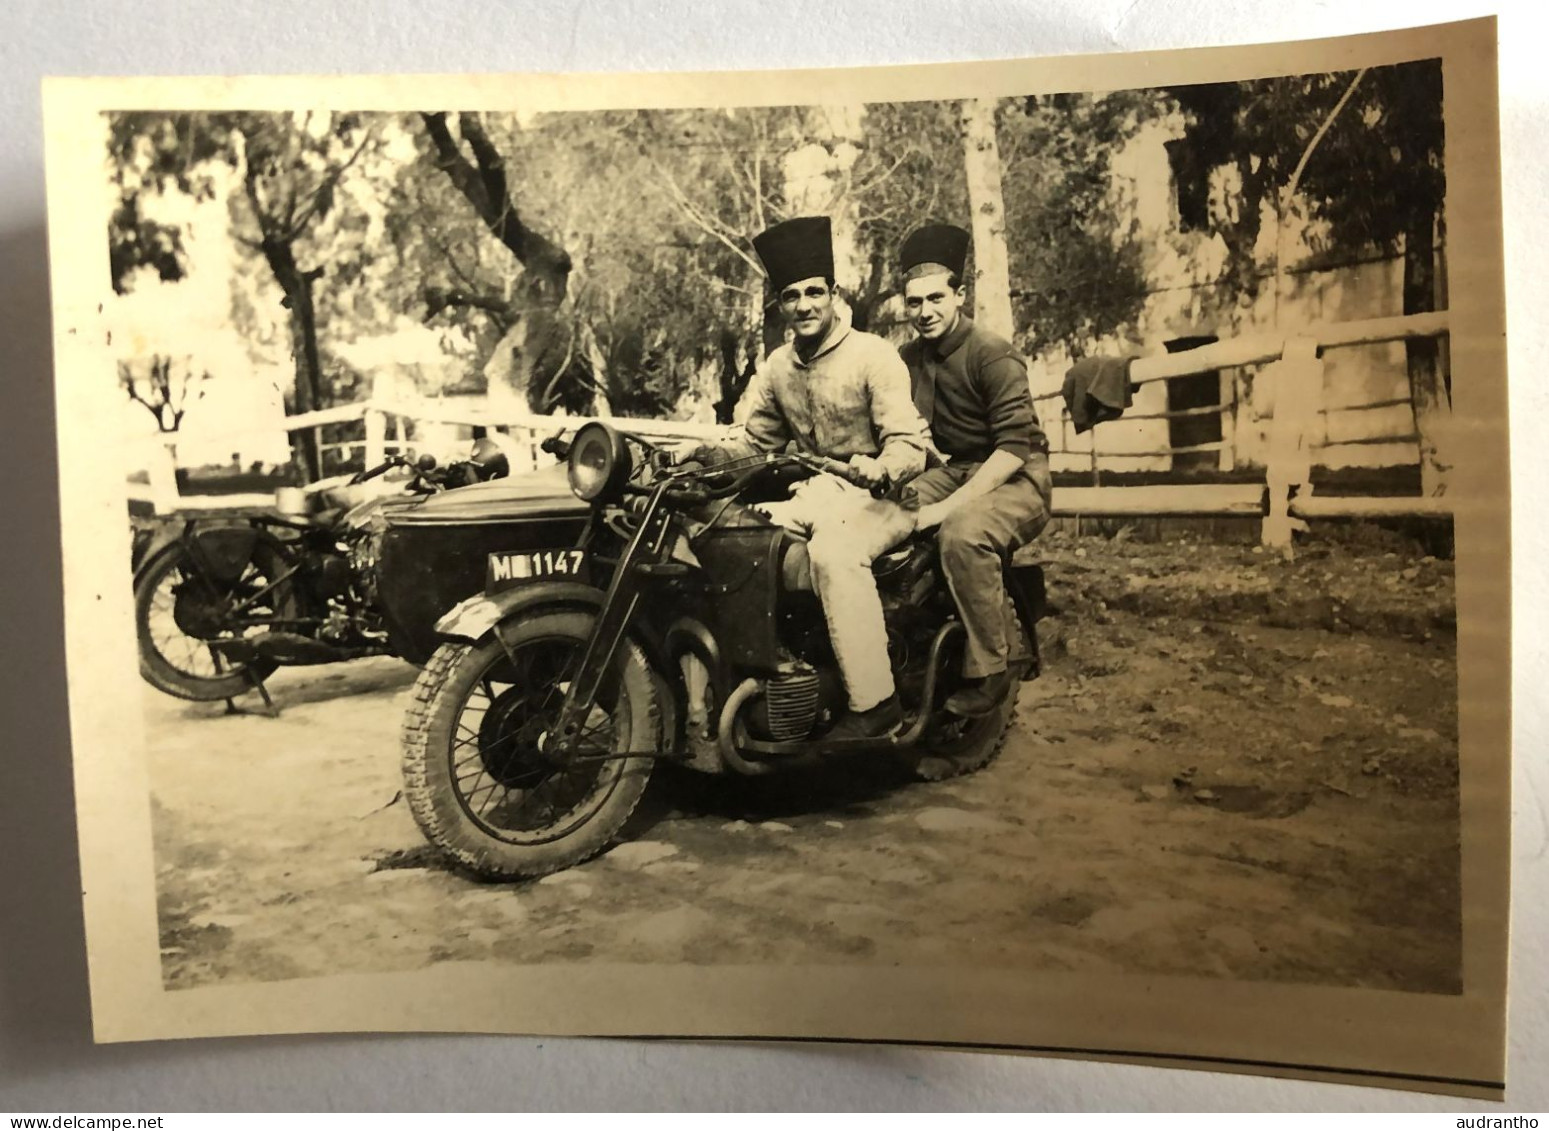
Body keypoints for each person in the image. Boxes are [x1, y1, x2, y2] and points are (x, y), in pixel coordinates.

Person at [681, 216, 931, 739]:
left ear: (834, 293)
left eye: (815, 292)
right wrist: (699, 454)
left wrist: (881, 468)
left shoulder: (873, 355)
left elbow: (909, 447)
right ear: (780, 306)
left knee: (834, 553)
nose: (805, 305)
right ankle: (727, 691)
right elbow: (756, 445)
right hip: (816, 494)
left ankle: (875, 703)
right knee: (720, 539)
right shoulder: (777, 367)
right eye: (792, 296)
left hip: (884, 497)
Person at [896, 223, 1054, 718]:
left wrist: (944, 508)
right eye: (914, 302)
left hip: (1019, 475)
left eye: (936, 299)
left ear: (959, 296)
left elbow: (1013, 448)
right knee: (883, 515)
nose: (925, 312)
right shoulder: (907, 359)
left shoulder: (993, 353)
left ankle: (992, 665)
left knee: (962, 533)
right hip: (957, 468)